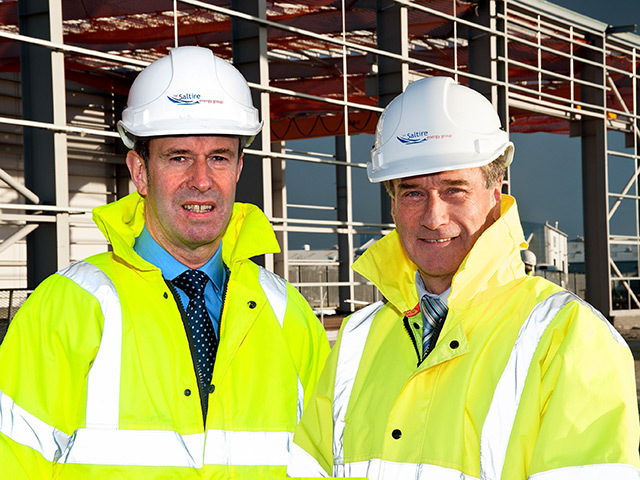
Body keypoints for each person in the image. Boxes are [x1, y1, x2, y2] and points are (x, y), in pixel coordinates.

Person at [0, 46, 329, 478]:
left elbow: (328, 458)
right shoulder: (70, 307)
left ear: (238, 168)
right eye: (178, 158)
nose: (202, 180)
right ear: (140, 171)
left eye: (219, 157)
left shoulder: (288, 314)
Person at [288, 76, 640, 479]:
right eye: (412, 192)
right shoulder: (356, 341)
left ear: (495, 190)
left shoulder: (569, 338)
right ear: (393, 202)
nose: (434, 218)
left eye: (454, 190)